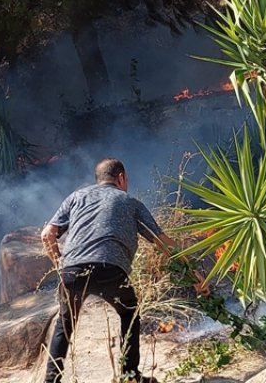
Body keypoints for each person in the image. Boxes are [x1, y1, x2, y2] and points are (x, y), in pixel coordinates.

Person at [40, 158, 203, 383]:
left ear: (98, 180)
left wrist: (60, 263)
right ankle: (129, 376)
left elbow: (47, 234)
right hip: (111, 270)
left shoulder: (76, 197)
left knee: (65, 322)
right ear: (121, 178)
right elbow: (164, 244)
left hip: (73, 270)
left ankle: (51, 380)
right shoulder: (131, 202)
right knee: (129, 314)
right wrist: (194, 276)